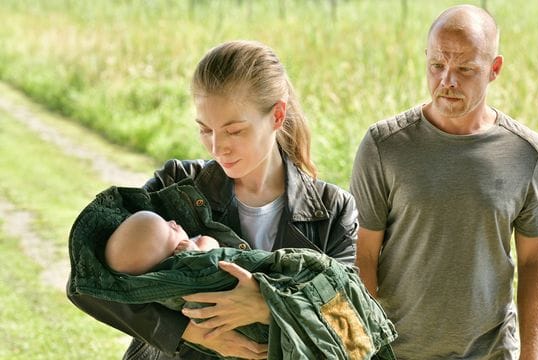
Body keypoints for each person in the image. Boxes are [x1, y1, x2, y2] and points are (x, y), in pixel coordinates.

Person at [67, 40, 359, 360]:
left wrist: (269, 305)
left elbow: (351, 332)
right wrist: (186, 332)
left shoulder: (332, 210)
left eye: (234, 131)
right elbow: (87, 283)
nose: (218, 148)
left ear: (277, 115)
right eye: (205, 130)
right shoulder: (175, 186)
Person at [350, 5, 538, 360]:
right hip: (398, 351)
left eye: (465, 69)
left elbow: (536, 260)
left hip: (489, 351)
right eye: (437, 65)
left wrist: (531, 355)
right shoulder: (384, 146)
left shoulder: (526, 153)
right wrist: (361, 350)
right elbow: (362, 255)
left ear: (494, 70)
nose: (447, 81)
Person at [105, 210, 220, 276]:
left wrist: (196, 250)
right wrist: (197, 255)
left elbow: (211, 242)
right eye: (172, 229)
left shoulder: (191, 245)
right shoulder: (179, 269)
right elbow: (212, 245)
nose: (173, 221)